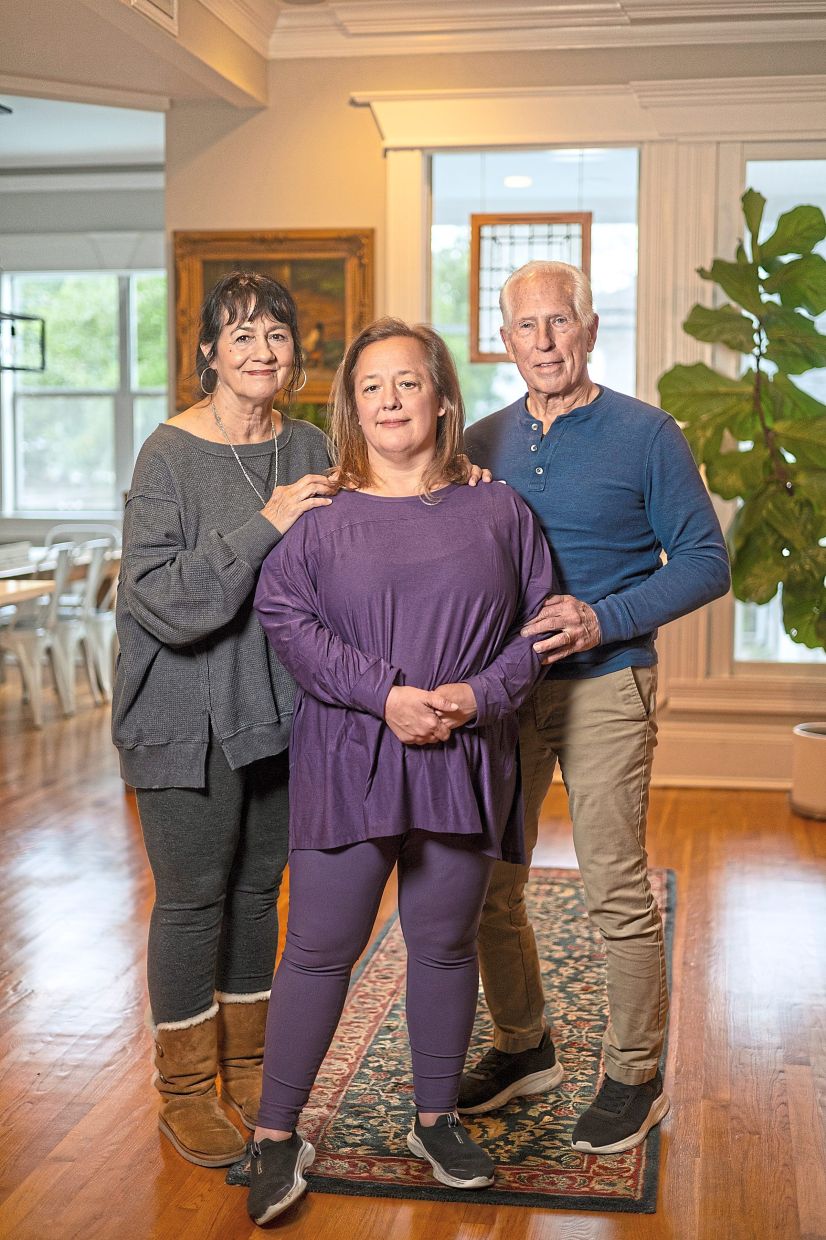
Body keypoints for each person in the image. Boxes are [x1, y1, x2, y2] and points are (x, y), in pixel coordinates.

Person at [248, 317, 554, 1225]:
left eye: (408, 382)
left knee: (445, 942)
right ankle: (274, 1135)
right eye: (372, 385)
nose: (389, 400)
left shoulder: (499, 510)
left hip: (463, 754)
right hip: (349, 755)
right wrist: (384, 695)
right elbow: (285, 616)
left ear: (442, 398)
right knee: (318, 948)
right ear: (352, 406)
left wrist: (472, 697)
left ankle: (435, 1118)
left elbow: (541, 625)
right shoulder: (320, 516)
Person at [459, 260, 731, 1155]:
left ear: (590, 327)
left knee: (614, 882)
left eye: (559, 321)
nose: (544, 340)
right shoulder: (482, 441)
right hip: (507, 688)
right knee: (494, 882)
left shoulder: (648, 435)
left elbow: (704, 560)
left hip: (610, 681)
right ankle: (524, 1043)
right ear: (505, 341)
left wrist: (601, 617)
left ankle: (633, 1071)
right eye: (526, 326)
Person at [112, 270, 338, 1168]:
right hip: (181, 717)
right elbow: (161, 601)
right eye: (239, 335)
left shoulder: (313, 440)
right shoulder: (167, 454)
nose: (260, 351)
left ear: (297, 351)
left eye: (276, 334)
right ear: (208, 351)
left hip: (280, 713)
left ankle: (247, 1068)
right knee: (195, 902)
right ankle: (184, 1090)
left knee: (257, 895)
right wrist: (267, 522)